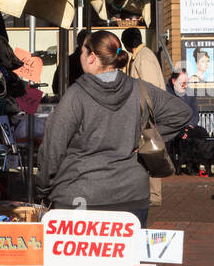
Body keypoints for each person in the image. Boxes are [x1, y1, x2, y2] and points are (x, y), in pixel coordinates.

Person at [36, 29, 190, 229]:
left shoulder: (76, 96)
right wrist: (145, 137)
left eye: (82, 52)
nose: (80, 57)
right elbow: (181, 112)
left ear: (92, 57)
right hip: (132, 197)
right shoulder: (140, 89)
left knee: (81, 260)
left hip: (80, 197)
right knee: (127, 259)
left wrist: (43, 188)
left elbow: (52, 149)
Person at [122, 24, 167, 205]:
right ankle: (147, 193)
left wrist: (146, 116)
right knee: (146, 153)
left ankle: (154, 195)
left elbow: (149, 88)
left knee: (151, 153)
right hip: (147, 113)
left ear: (127, 43)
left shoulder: (143, 58)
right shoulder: (143, 55)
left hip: (149, 114)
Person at [168, 68, 213, 172]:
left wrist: (189, 126)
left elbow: (195, 113)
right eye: (183, 83)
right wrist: (182, 129)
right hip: (173, 127)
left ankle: (197, 163)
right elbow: (170, 116)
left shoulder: (189, 92)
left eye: (187, 82)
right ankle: (178, 165)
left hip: (189, 126)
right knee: (181, 137)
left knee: (201, 133)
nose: (185, 85)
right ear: (174, 81)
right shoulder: (167, 93)